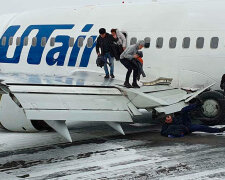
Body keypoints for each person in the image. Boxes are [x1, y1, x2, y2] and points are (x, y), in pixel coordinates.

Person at [161, 99, 225, 138]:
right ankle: (219, 130)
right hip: (187, 128)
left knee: (183, 110)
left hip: (185, 122)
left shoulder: (173, 119)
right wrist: (177, 133)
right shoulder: (166, 126)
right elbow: (163, 133)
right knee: (201, 127)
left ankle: (197, 105)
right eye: (168, 120)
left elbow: (179, 116)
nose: (169, 120)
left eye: (169, 119)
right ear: (166, 122)